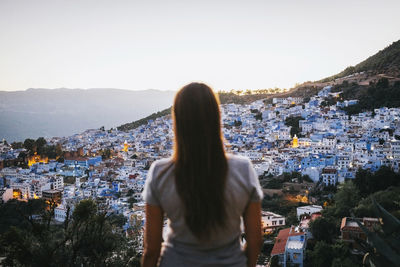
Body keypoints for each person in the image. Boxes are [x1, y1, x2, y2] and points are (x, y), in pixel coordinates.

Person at [141, 82, 263, 267]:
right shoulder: (243, 169)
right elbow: (255, 241)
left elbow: (151, 250)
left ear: (178, 121)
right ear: (216, 118)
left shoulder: (160, 172)